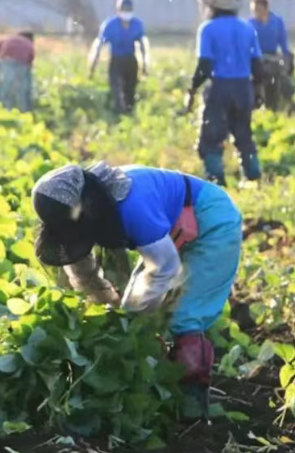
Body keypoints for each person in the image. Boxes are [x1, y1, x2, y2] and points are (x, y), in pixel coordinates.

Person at [32, 162, 243, 420]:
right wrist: (107, 310)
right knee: (137, 308)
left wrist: (131, 318)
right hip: (168, 231)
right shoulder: (72, 214)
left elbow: (165, 266)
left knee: (184, 315)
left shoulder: (131, 207)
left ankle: (192, 408)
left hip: (211, 219)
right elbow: (83, 273)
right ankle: (161, 384)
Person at [184, 0, 263, 187]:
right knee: (244, 134)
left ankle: (216, 181)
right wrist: (258, 90)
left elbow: (205, 65)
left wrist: (192, 88)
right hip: (244, 87)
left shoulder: (208, 29)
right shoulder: (247, 28)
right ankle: (253, 176)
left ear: (211, 5)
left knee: (211, 138)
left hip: (220, 86)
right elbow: (257, 64)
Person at [88, 0, 150, 114]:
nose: (126, 12)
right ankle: (120, 113)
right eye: (124, 9)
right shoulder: (110, 25)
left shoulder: (137, 24)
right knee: (117, 89)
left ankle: (129, 114)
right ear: (118, 10)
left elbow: (142, 46)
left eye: (129, 9)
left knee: (130, 90)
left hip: (131, 61)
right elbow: (99, 45)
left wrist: (145, 66)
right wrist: (93, 66)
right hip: (116, 61)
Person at [248, 0, 295, 112]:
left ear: (266, 9)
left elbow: (283, 43)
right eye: (254, 10)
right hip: (256, 57)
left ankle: (287, 103)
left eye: (258, 9)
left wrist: (287, 57)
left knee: (284, 79)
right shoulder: (250, 24)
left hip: (273, 56)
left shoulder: (277, 22)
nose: (256, 13)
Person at [0, 31, 35, 112]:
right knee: (19, 94)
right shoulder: (29, 44)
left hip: (4, 64)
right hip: (20, 67)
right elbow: (28, 68)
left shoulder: (6, 40)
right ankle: (23, 112)